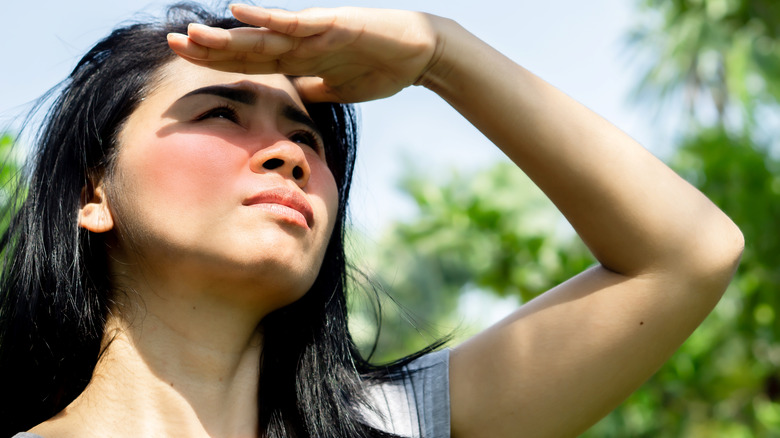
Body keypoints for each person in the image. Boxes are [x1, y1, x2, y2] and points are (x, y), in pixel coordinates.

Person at [0, 3, 743, 438]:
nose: (288, 155)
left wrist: (439, 53)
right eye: (222, 112)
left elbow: (688, 254)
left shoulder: (398, 423)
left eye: (308, 138)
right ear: (91, 191)